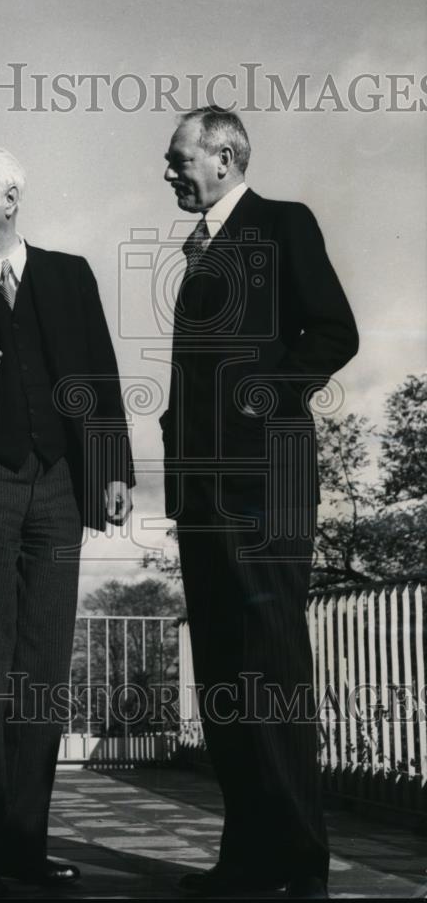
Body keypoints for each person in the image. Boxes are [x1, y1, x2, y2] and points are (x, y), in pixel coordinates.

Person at [0, 145, 134, 897]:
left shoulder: (70, 275)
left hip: (60, 494)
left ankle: (19, 844)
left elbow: (100, 376)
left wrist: (110, 473)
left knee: (41, 672)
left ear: (11, 199)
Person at [160, 108, 358, 900]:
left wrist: (258, 398)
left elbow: (333, 331)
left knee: (271, 667)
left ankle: (300, 865)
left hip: (263, 484)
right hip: (204, 496)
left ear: (223, 155)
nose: (168, 172)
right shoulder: (200, 248)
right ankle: (248, 858)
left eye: (178, 158)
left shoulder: (282, 224)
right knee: (221, 675)